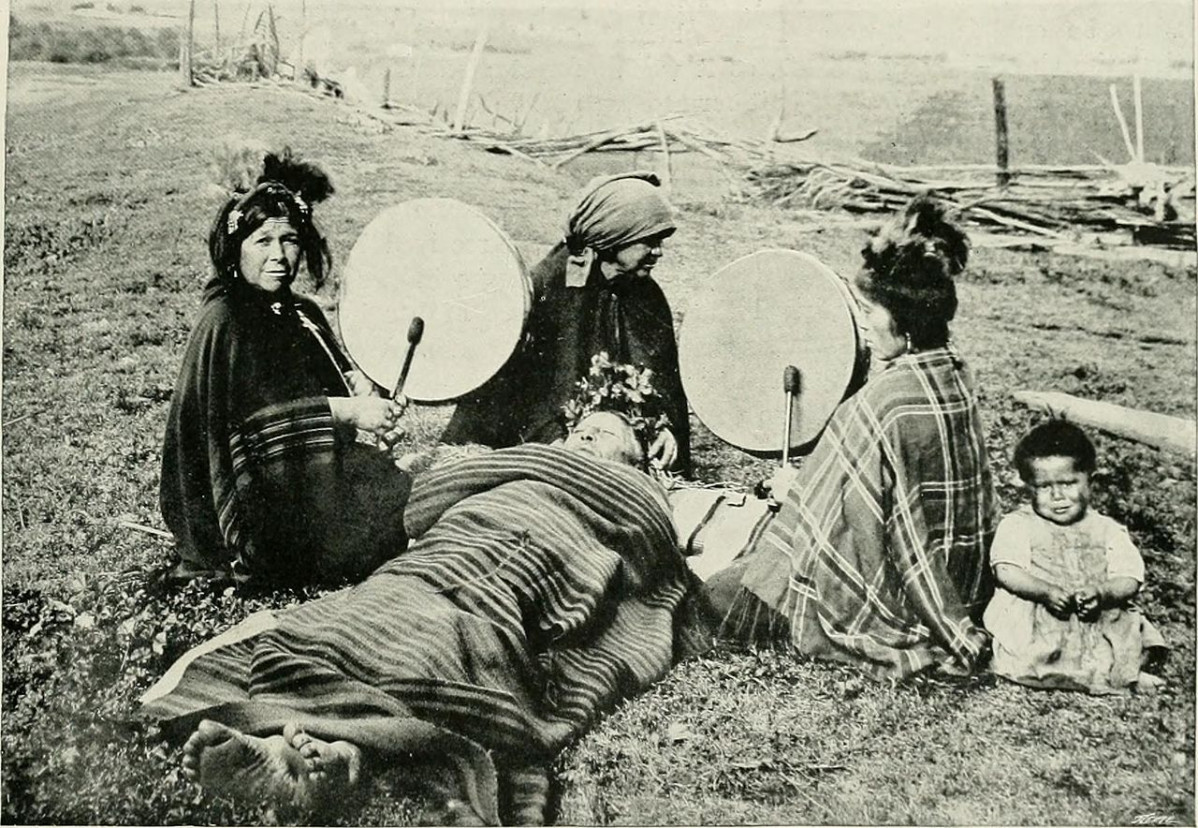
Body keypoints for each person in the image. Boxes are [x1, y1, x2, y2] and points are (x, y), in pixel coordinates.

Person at [141, 412, 708, 825]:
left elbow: (652, 555)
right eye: (581, 427)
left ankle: (344, 754)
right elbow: (424, 506)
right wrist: (521, 463)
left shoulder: (636, 491)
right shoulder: (526, 462)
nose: (585, 435)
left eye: (605, 434)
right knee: (366, 613)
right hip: (451, 548)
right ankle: (320, 754)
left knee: (462, 633)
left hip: (542, 557)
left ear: (637, 460)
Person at [704, 195, 998, 681]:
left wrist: (799, 494)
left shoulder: (883, 402)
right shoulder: (956, 373)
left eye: (871, 310)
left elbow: (869, 523)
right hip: (962, 582)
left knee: (716, 596)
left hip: (895, 597)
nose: (865, 322)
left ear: (904, 321)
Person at [159, 148, 411, 587]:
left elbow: (333, 388)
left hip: (300, 477)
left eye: (289, 240)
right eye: (262, 242)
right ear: (235, 249)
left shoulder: (301, 312)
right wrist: (348, 412)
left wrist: (366, 394)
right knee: (380, 532)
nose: (278, 255)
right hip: (245, 499)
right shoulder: (225, 320)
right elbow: (248, 432)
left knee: (405, 501)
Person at [440, 171, 691, 474]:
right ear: (612, 238)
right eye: (649, 242)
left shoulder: (646, 295)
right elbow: (517, 396)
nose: (658, 252)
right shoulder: (544, 290)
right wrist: (552, 439)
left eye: (660, 242)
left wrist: (664, 429)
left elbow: (661, 382)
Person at [983, 420, 1167, 693]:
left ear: (1090, 480)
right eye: (1043, 487)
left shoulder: (1107, 529)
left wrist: (1102, 592)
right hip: (1043, 616)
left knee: (1123, 639)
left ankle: (1122, 673)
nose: (1057, 496)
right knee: (1029, 654)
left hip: (1096, 613)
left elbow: (1130, 577)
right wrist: (1045, 591)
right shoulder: (1019, 524)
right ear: (1028, 486)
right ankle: (1075, 673)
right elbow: (1006, 570)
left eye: (1068, 483)